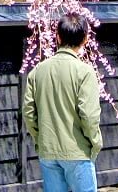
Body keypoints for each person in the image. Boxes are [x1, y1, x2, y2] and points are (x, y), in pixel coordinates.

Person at [22, 13, 103, 192]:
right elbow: (89, 116)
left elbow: (28, 113)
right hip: (78, 151)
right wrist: (95, 143)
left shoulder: (37, 72)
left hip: (48, 151)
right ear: (85, 39)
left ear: (57, 37)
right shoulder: (85, 72)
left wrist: (40, 139)